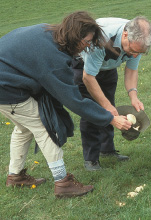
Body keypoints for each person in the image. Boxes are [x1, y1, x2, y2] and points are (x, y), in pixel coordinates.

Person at [0, 11, 132, 198]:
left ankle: (15, 176)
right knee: (43, 126)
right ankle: (63, 182)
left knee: (24, 128)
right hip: (5, 87)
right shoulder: (53, 57)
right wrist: (110, 118)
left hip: (6, 81)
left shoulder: (48, 32)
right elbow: (74, 100)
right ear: (74, 36)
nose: (87, 47)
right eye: (86, 42)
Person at [72, 16, 151, 171]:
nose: (135, 55)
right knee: (92, 111)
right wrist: (106, 106)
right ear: (125, 36)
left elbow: (131, 70)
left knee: (111, 108)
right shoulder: (100, 39)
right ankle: (91, 160)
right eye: (133, 51)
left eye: (140, 52)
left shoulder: (138, 42)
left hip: (107, 68)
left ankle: (107, 150)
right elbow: (88, 77)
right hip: (84, 68)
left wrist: (133, 96)